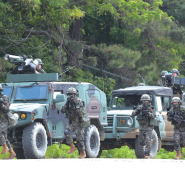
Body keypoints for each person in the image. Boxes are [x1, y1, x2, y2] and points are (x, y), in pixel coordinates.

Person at [61, 87, 88, 158]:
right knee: (66, 132)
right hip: (71, 122)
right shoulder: (68, 102)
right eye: (69, 94)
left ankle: (83, 152)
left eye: (72, 94)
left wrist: (75, 106)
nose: (70, 96)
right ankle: (72, 146)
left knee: (79, 139)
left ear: (75, 94)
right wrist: (67, 104)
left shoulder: (79, 101)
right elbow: (62, 111)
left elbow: (81, 111)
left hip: (79, 122)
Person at [132, 94, 156, 159]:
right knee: (141, 141)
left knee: (147, 140)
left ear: (149, 101)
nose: (145, 102)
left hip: (148, 127)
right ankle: (150, 142)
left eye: (146, 101)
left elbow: (154, 115)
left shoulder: (151, 107)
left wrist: (149, 114)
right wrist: (137, 111)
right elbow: (133, 114)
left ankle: (147, 154)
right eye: (143, 101)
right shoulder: (139, 107)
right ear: (141, 101)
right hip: (141, 127)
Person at [0, 85, 17, 159]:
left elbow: (7, 110)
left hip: (4, 119)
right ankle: (11, 152)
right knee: (4, 137)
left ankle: (4, 146)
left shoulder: (4, 98)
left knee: (0, 132)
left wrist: (1, 104)